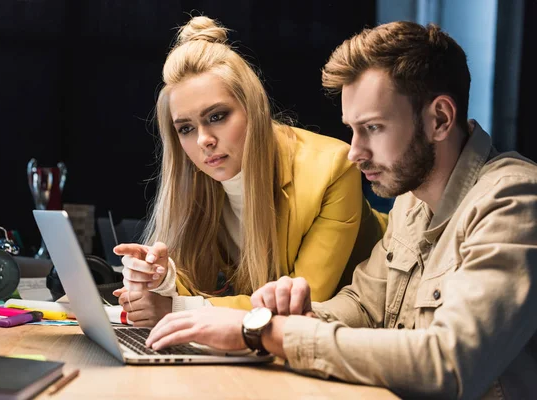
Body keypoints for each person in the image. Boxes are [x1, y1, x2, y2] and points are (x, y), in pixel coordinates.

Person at [144, 21, 537, 399]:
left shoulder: (513, 201)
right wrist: (290, 314)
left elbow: (449, 363)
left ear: (439, 119)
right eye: (352, 129)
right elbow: (362, 305)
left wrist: (261, 332)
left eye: (373, 128)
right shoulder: (412, 202)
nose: (354, 152)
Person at [110, 16, 386, 326]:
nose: (203, 140)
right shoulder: (202, 181)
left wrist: (174, 308)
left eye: (217, 116)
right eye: (185, 128)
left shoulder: (332, 168)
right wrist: (161, 281)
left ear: (252, 108)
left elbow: (303, 302)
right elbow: (197, 290)